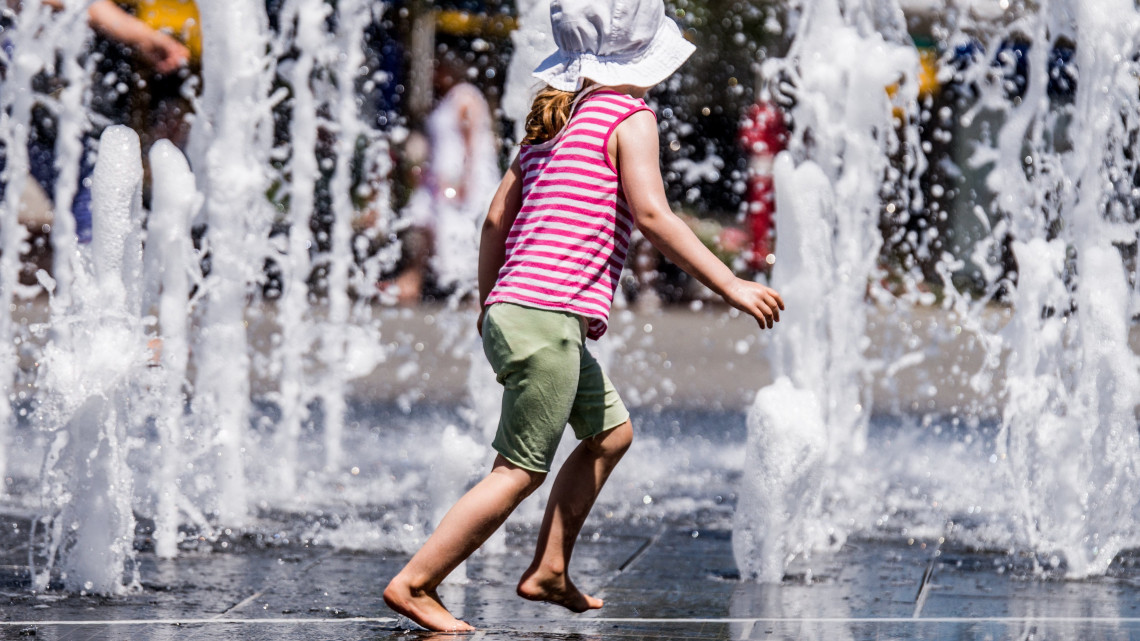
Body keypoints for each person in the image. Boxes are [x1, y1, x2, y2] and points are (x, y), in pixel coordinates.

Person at [382, 0, 784, 631]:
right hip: (548, 318)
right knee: (518, 471)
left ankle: (549, 568)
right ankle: (416, 582)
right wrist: (731, 282)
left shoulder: (548, 123)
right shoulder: (630, 117)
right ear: (643, 62)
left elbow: (494, 222)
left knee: (610, 435)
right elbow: (653, 215)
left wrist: (491, 306)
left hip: (517, 309)